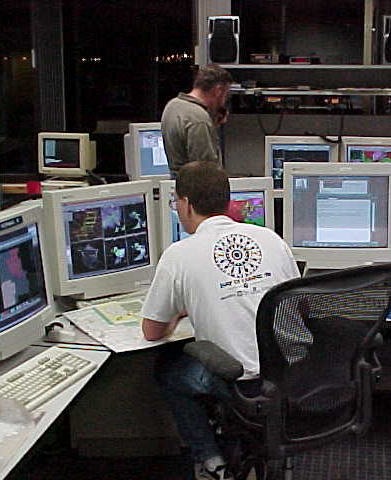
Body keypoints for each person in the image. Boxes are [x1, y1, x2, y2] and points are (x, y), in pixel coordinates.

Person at [141, 161, 300, 480]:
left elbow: (151, 331)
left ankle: (211, 459)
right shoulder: (272, 239)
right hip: (291, 373)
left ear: (185, 204)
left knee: (169, 371)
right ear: (227, 202)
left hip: (240, 383)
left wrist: (178, 314)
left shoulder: (179, 254)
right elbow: (297, 303)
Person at [161, 66, 233, 178]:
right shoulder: (199, 119)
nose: (224, 102)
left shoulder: (172, 105)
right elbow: (207, 173)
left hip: (179, 185)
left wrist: (212, 125)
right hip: (196, 190)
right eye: (225, 95)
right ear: (218, 91)